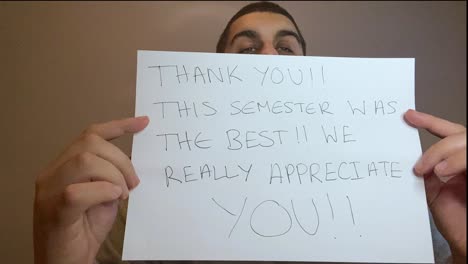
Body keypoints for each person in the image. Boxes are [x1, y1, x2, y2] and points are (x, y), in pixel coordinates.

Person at [33, 2, 466, 264]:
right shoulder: (144, 192)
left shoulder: (396, 191)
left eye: (285, 47)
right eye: (246, 48)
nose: (267, 59)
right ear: (215, 69)